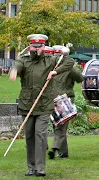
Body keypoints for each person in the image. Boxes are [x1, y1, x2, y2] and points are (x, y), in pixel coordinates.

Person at [9, 34, 74, 176]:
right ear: (30, 46)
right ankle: (31, 167)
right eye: (34, 46)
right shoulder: (24, 59)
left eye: (40, 47)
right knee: (30, 136)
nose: (37, 49)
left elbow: (69, 62)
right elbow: (17, 65)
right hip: (27, 105)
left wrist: (55, 71)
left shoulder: (50, 60)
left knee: (40, 133)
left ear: (44, 47)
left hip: (44, 105)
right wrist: (14, 71)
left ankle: (40, 168)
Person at [48, 45, 84, 159]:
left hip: (65, 99)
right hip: (53, 99)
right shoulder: (51, 67)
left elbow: (80, 78)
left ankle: (54, 148)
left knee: (61, 126)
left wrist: (73, 69)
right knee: (57, 125)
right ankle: (63, 152)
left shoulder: (69, 68)